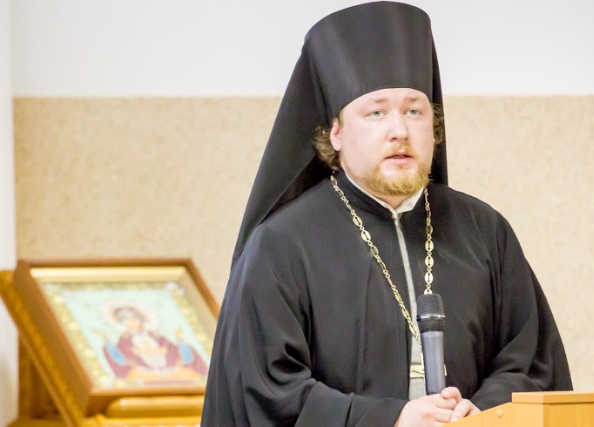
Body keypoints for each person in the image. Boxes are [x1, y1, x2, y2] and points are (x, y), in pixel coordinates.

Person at [201, 2, 572, 426]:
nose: (400, 131)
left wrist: (483, 411)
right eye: (376, 112)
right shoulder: (281, 245)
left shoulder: (484, 232)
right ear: (335, 133)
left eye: (414, 111)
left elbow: (531, 363)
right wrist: (389, 420)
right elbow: (267, 391)